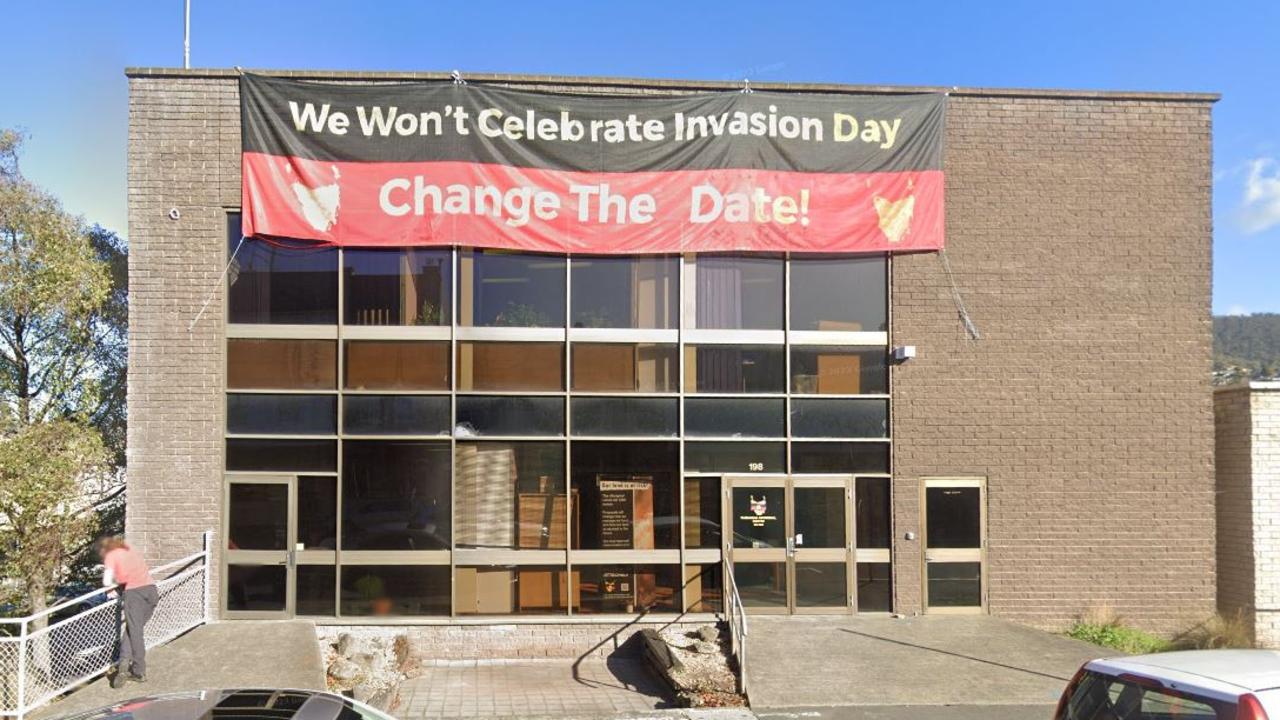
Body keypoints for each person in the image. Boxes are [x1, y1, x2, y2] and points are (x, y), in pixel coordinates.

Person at [97, 536, 158, 688]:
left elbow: (106, 581)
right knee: (132, 629)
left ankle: (139, 671)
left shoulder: (111, 555)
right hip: (151, 591)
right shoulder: (130, 551)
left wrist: (111, 588)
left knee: (135, 632)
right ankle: (123, 665)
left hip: (134, 594)